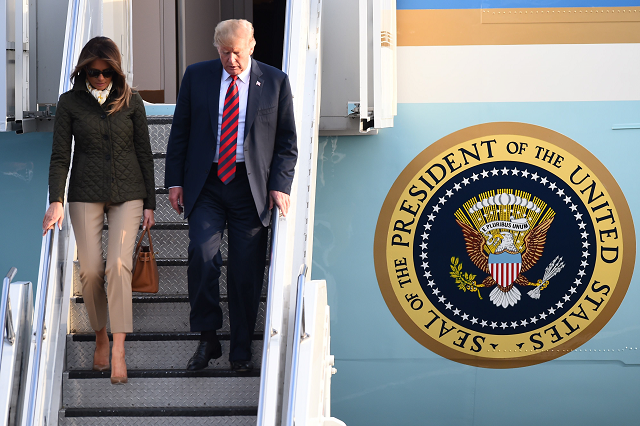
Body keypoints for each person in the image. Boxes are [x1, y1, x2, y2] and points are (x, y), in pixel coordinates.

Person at [165, 19, 297, 372]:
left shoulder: (275, 81)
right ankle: (208, 337)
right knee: (201, 255)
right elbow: (180, 131)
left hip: (250, 186)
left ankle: (241, 349)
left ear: (251, 46)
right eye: (225, 53)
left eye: (237, 53)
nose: (231, 61)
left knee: (245, 272)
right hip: (207, 182)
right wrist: (174, 181)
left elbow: (287, 142)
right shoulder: (197, 76)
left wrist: (280, 185)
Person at [43, 36, 156, 384]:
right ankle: (101, 334)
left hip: (129, 192)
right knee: (91, 271)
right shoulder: (69, 104)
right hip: (85, 191)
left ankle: (119, 347)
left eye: (107, 72)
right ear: (83, 70)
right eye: (93, 72)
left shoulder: (132, 101)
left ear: (117, 71)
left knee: (118, 264)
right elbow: (61, 156)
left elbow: (145, 153)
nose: (101, 78)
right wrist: (55, 200)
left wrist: (150, 202)